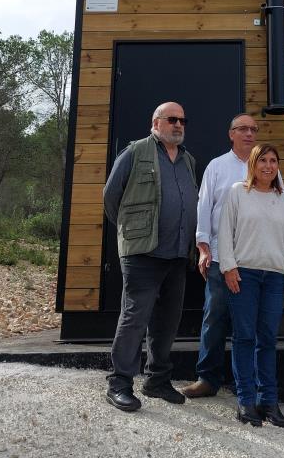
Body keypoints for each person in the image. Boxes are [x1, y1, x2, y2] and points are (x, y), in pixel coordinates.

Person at [102, 102, 197, 412]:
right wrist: (133, 232)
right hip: (143, 254)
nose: (179, 125)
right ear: (156, 122)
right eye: (172, 119)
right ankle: (119, 383)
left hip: (177, 255)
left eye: (182, 120)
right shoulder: (135, 152)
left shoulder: (188, 161)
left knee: (167, 323)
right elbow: (111, 197)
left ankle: (157, 381)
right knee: (134, 319)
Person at [183, 113, 283, 399]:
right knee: (215, 316)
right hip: (219, 255)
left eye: (253, 129)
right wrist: (203, 247)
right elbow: (204, 208)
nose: (249, 134)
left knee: (254, 325)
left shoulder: (267, 167)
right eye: (243, 129)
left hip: (259, 258)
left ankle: (253, 388)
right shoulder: (217, 167)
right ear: (231, 134)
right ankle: (208, 378)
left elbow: (281, 207)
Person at [218, 143, 284, 428]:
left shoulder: (282, 197)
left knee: (267, 339)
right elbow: (225, 231)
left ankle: (269, 401)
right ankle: (246, 401)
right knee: (244, 337)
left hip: (275, 277)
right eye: (262, 160)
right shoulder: (238, 192)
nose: (268, 165)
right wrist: (228, 266)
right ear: (252, 164)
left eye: (273, 160)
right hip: (245, 275)